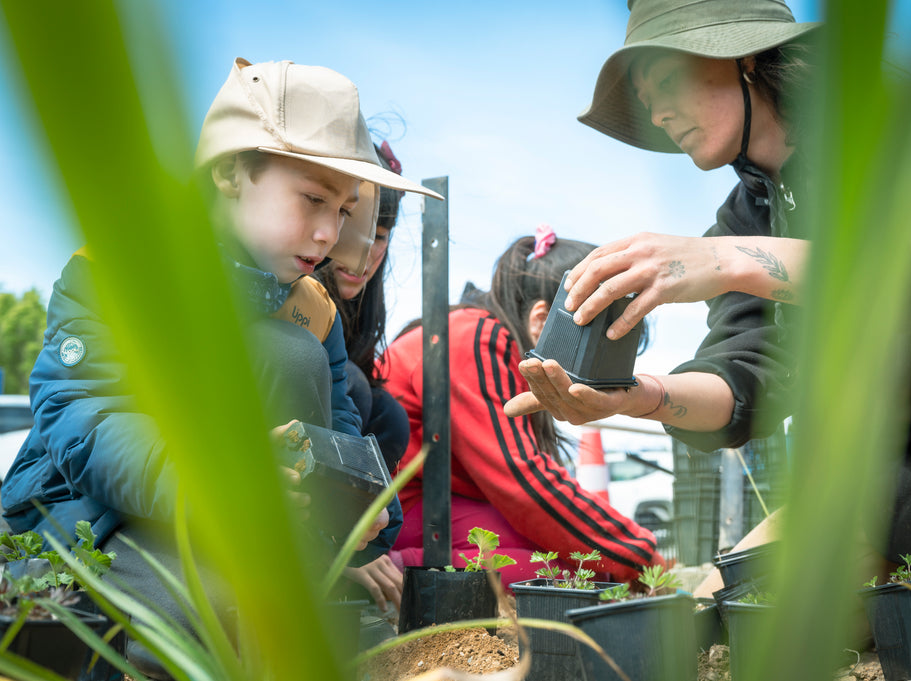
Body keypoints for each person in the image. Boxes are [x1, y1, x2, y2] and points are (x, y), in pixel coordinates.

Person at [504, 0, 911, 658]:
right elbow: (744, 374)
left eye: (665, 80)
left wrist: (729, 263)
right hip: (879, 498)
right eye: (645, 99)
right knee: (700, 631)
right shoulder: (748, 213)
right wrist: (635, 395)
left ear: (745, 55)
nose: (657, 113)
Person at [0, 57, 441, 678]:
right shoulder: (123, 267)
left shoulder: (314, 312)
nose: (327, 234)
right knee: (187, 634)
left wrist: (357, 511)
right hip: (100, 520)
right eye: (312, 199)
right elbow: (80, 414)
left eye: (343, 211)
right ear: (233, 172)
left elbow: (341, 434)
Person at [381, 227, 667, 589]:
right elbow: (524, 482)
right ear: (540, 320)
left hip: (429, 506)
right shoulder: (476, 338)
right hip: (395, 513)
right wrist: (641, 557)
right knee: (561, 576)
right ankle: (398, 570)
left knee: (580, 566)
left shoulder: (480, 332)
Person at [316, 141, 411, 614]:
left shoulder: (360, 308)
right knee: (352, 385)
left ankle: (361, 558)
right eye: (355, 227)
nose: (367, 251)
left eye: (381, 235)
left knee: (388, 414)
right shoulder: (299, 298)